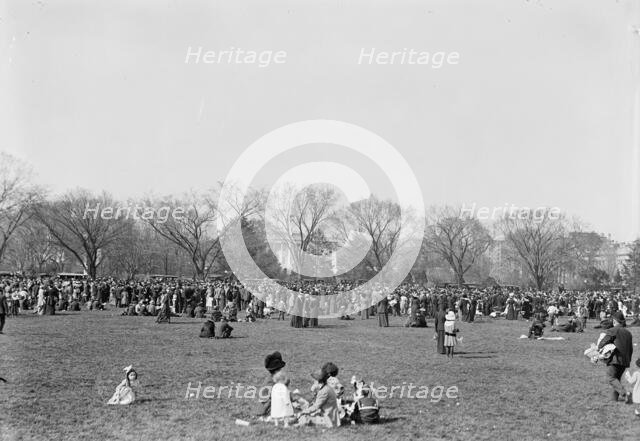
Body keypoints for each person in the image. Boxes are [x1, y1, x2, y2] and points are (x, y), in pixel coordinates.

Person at [598, 311, 633, 402]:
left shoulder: (613, 330)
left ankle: (625, 393)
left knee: (611, 377)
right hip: (625, 360)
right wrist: (628, 360)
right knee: (616, 379)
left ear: (614, 320)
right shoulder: (628, 333)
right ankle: (614, 400)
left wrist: (599, 348)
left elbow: (604, 341)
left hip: (615, 359)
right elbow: (631, 349)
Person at [257, 351, 287, 417]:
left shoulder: (272, 378)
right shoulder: (271, 382)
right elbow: (269, 400)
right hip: (268, 408)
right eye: (280, 369)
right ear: (277, 370)